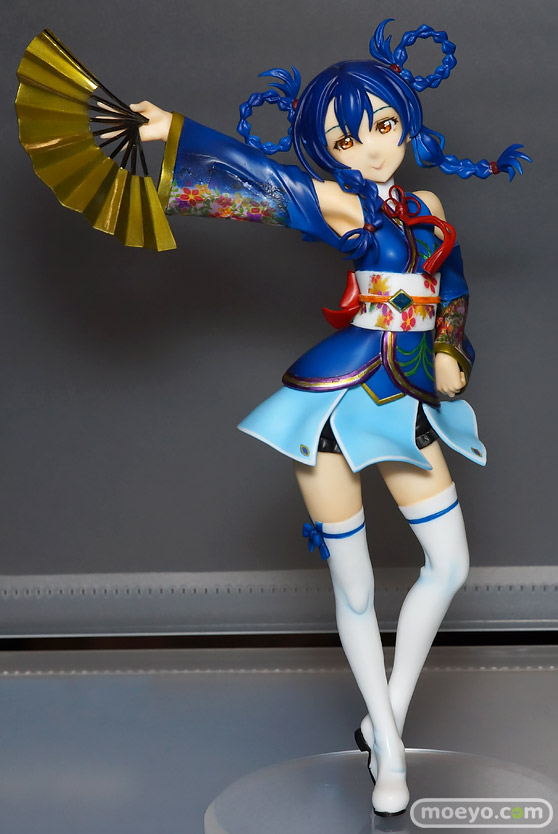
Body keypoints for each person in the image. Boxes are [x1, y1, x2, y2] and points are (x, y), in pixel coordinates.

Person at [128, 20, 529, 816]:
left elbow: (452, 289)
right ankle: (391, 756)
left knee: (448, 565)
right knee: (355, 589)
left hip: (407, 396)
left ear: (406, 119)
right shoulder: (337, 203)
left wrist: (453, 350)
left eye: (382, 125)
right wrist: (174, 128)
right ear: (326, 151)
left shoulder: (427, 205)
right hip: (333, 407)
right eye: (348, 139)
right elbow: (257, 174)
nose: (372, 149)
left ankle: (385, 724)